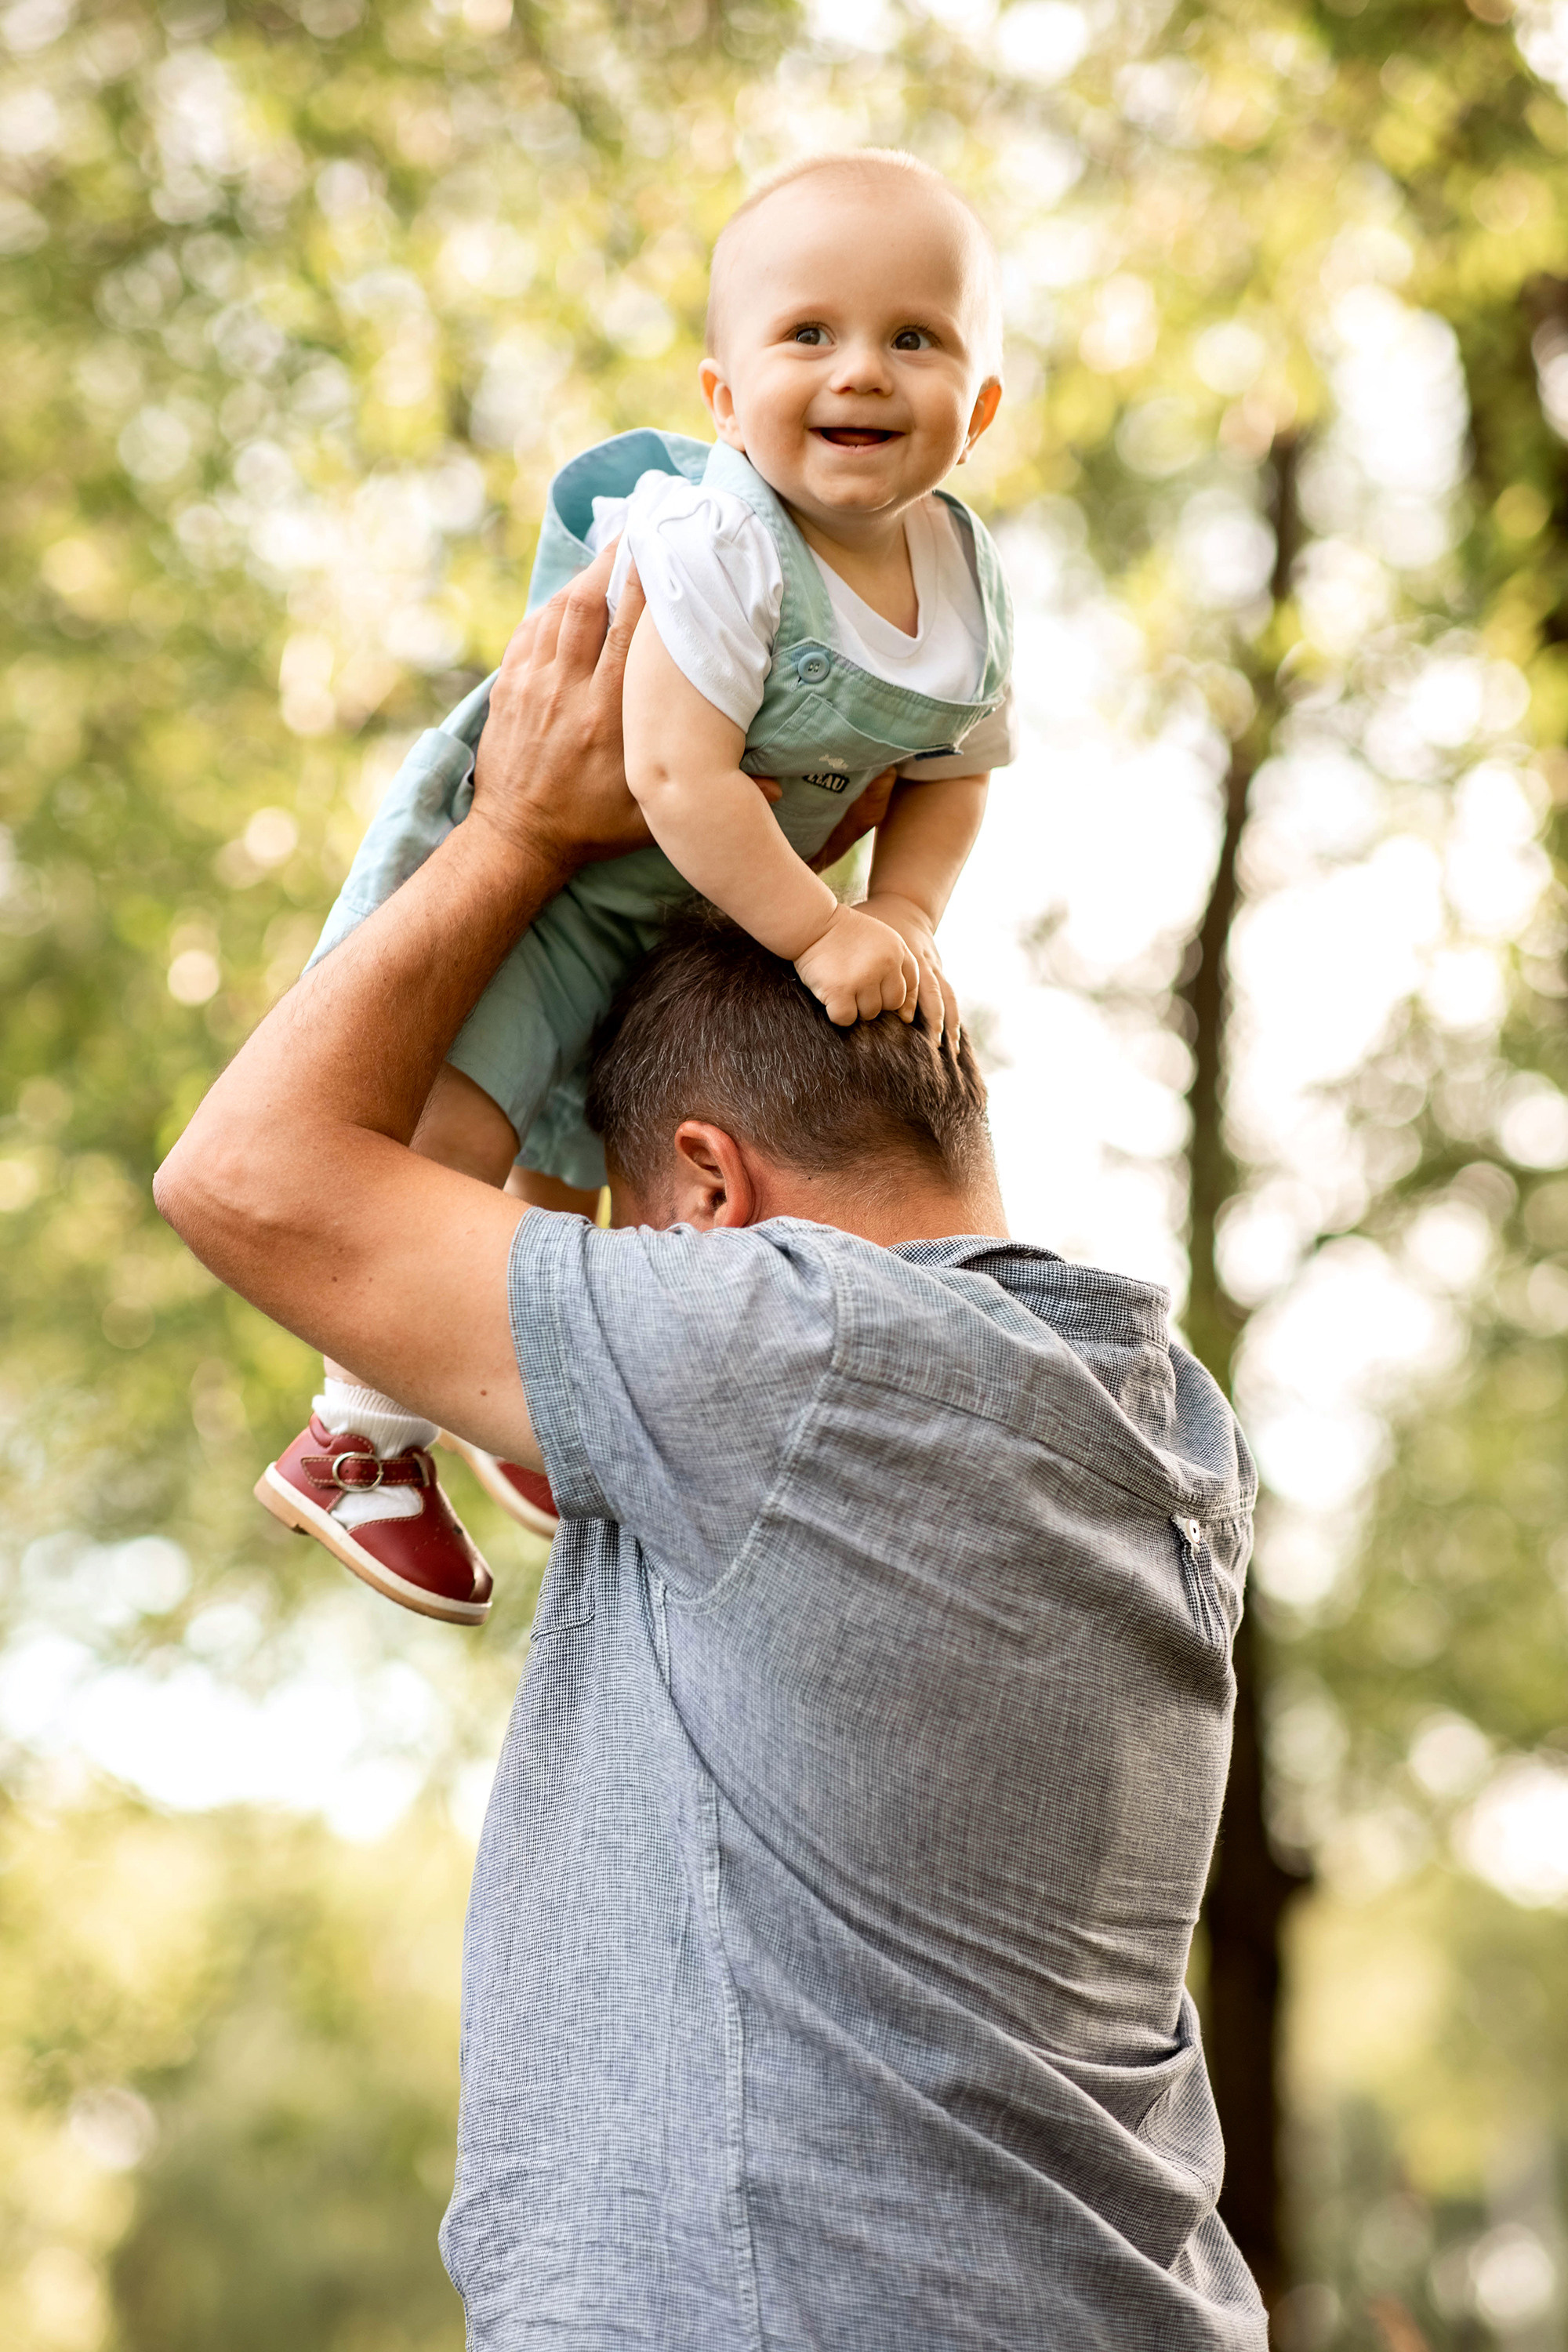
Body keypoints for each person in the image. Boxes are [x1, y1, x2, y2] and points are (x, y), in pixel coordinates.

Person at [154, 548, 1269, 2349]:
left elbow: (244, 1176)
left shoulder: (800, 1355)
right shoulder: (1159, 1420)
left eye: (598, 1214)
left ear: (703, 1185)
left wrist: (513, 834)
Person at [254, 146, 1017, 1626]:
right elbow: (672, 780)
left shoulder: (965, 582)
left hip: (689, 911)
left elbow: (956, 772)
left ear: (977, 408)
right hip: (571, 869)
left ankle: (516, 1392)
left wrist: (904, 918)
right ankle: (356, 1437)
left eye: (914, 339)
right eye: (809, 334)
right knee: (455, 1128)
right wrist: (817, 926)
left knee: (599, 1159)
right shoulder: (719, 541)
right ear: (725, 398)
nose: (862, 371)